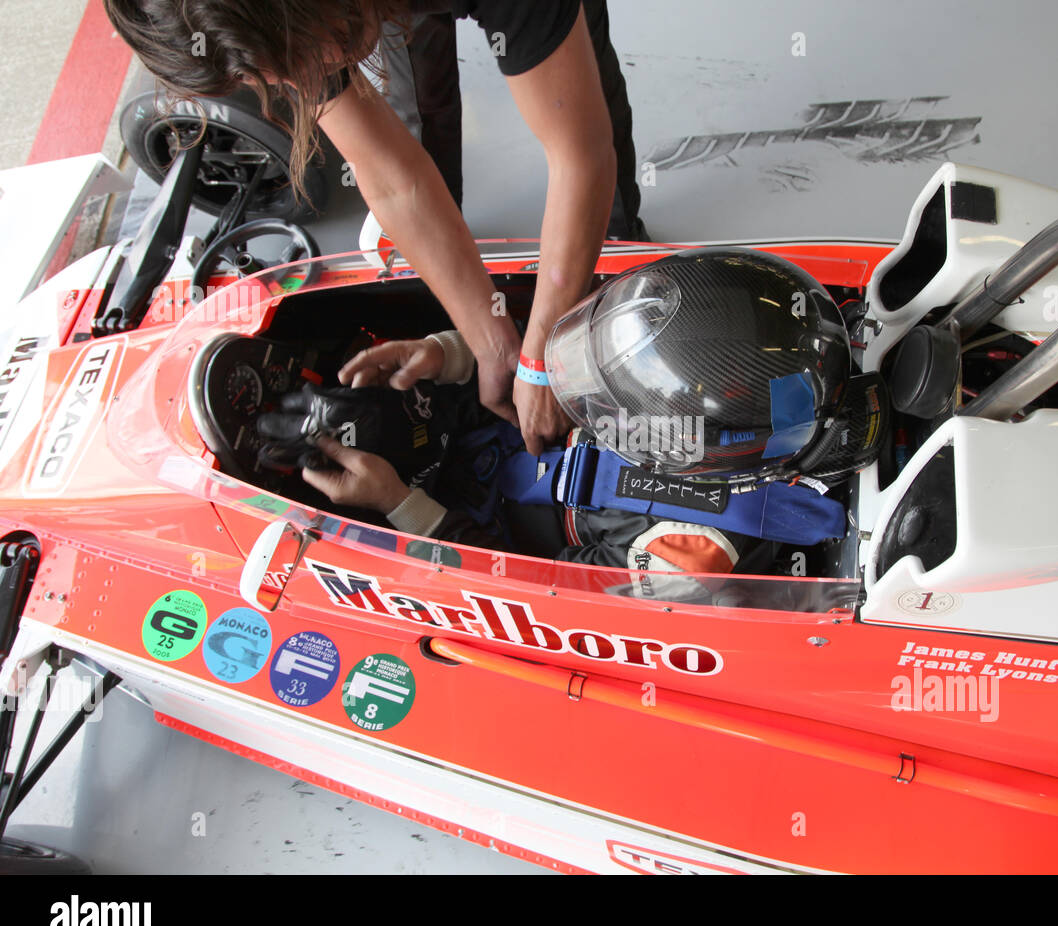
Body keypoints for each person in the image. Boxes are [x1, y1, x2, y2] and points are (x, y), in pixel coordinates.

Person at [104, 0, 644, 456]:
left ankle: (617, 255)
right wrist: (487, 342)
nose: (293, 83)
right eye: (265, 76)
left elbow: (581, 154)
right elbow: (392, 181)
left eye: (296, 58)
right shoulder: (281, 24)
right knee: (413, 93)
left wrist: (542, 352)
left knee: (588, 119)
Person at [259, 249, 888, 577]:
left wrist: (397, 504)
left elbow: (527, 591)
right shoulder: (700, 346)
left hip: (489, 531)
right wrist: (447, 354)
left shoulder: (688, 556)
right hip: (500, 439)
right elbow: (556, 374)